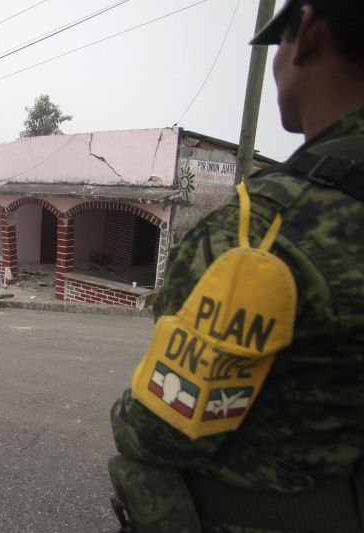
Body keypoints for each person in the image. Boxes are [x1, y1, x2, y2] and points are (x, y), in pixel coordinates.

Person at [108, 1, 364, 531]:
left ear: (310, 31)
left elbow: (158, 432)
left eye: (279, 44)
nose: (275, 63)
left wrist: (125, 411)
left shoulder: (262, 231)